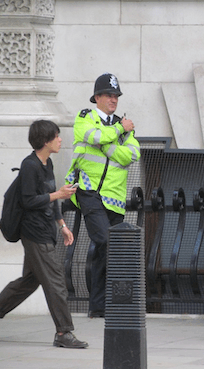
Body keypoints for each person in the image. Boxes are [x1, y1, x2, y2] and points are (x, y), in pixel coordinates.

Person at [0, 120, 88, 349]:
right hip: (34, 233)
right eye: (57, 136)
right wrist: (58, 194)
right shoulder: (29, 165)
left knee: (29, 281)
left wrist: (62, 225)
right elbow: (29, 201)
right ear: (46, 140)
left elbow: (51, 196)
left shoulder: (47, 164)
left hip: (47, 229)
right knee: (56, 281)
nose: (60, 140)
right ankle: (63, 332)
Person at [65, 73, 141, 318]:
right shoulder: (85, 117)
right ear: (96, 97)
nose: (113, 99)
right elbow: (92, 137)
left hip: (115, 198)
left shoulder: (122, 124)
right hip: (89, 191)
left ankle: (99, 307)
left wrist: (108, 146)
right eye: (108, 95)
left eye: (116, 95)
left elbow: (131, 155)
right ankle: (116, 301)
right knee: (108, 243)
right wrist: (118, 131)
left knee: (102, 252)